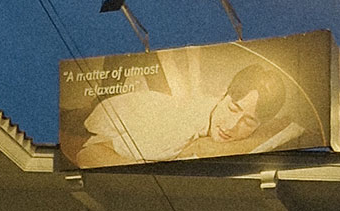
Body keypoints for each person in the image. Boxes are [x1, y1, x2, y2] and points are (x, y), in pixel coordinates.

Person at [77, 62, 288, 167]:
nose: (232, 126)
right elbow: (88, 153)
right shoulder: (177, 132)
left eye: (248, 122)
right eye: (233, 108)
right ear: (223, 94)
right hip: (104, 116)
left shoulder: (211, 111)